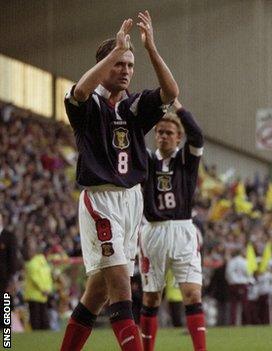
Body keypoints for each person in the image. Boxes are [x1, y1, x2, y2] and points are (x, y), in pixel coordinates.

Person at [60, 12, 179, 351]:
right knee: (123, 292)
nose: (126, 70)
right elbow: (80, 90)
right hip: (100, 201)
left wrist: (150, 48)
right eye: (119, 64)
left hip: (131, 202)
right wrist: (116, 50)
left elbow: (171, 91)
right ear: (105, 65)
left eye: (130, 65)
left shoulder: (134, 106)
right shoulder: (86, 104)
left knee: (95, 294)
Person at [138, 99, 205, 351]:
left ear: (178, 138)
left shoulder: (186, 159)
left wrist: (177, 106)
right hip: (153, 231)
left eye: (169, 133)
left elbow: (197, 135)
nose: (163, 136)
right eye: (159, 132)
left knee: (192, 295)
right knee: (152, 297)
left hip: (182, 229)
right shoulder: (146, 160)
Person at [0, 213, 19, 294]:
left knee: (5, 304)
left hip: (5, 278)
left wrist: (13, 278)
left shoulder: (9, 237)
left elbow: (13, 258)